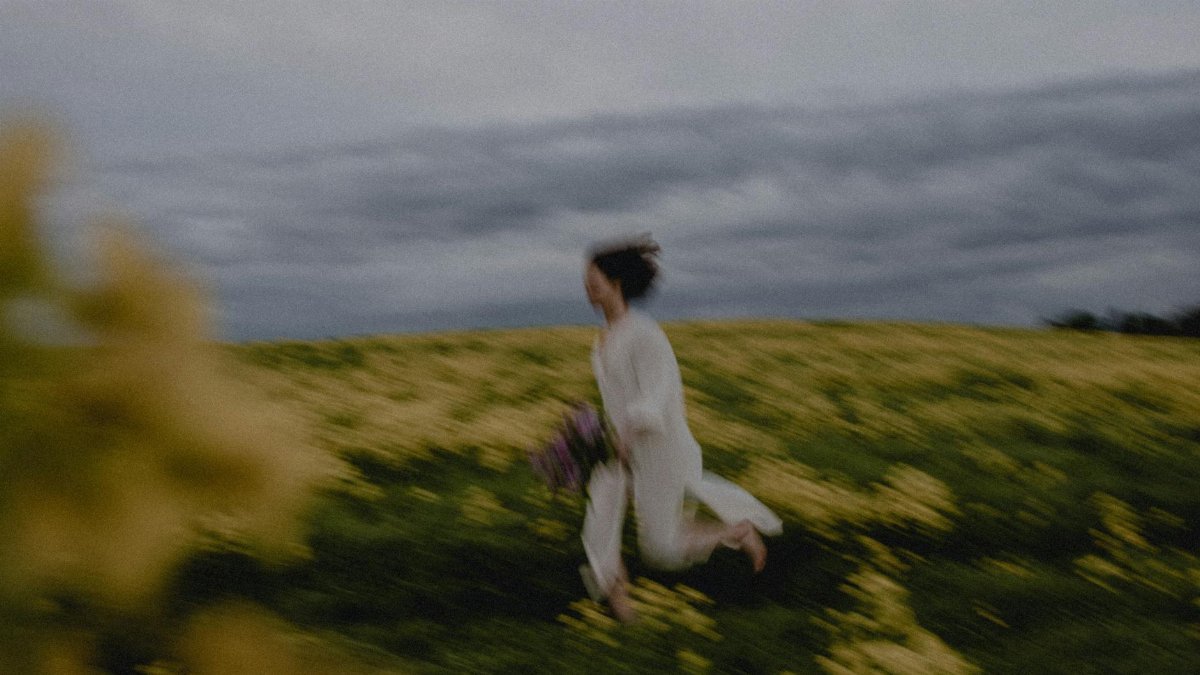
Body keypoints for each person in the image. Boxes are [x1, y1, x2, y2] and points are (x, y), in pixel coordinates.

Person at [580, 235, 783, 622]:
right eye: (586, 282)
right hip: (622, 449)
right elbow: (617, 398)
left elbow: (655, 394)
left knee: (662, 550)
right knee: (600, 518)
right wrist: (590, 426)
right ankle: (620, 605)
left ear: (617, 284)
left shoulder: (644, 334)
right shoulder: (603, 341)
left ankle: (736, 531)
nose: (588, 288)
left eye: (594, 281)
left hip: (659, 448)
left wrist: (630, 430)